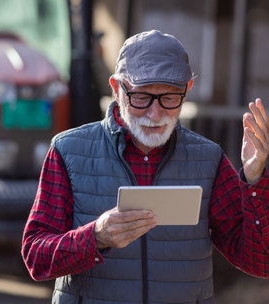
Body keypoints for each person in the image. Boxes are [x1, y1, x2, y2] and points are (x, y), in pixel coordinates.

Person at [21, 30, 268, 304]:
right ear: (116, 88)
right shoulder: (69, 151)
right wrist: (96, 236)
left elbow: (260, 262)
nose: (155, 113)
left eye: (170, 98)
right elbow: (36, 258)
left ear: (187, 90)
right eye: (141, 97)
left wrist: (255, 179)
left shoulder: (209, 159)